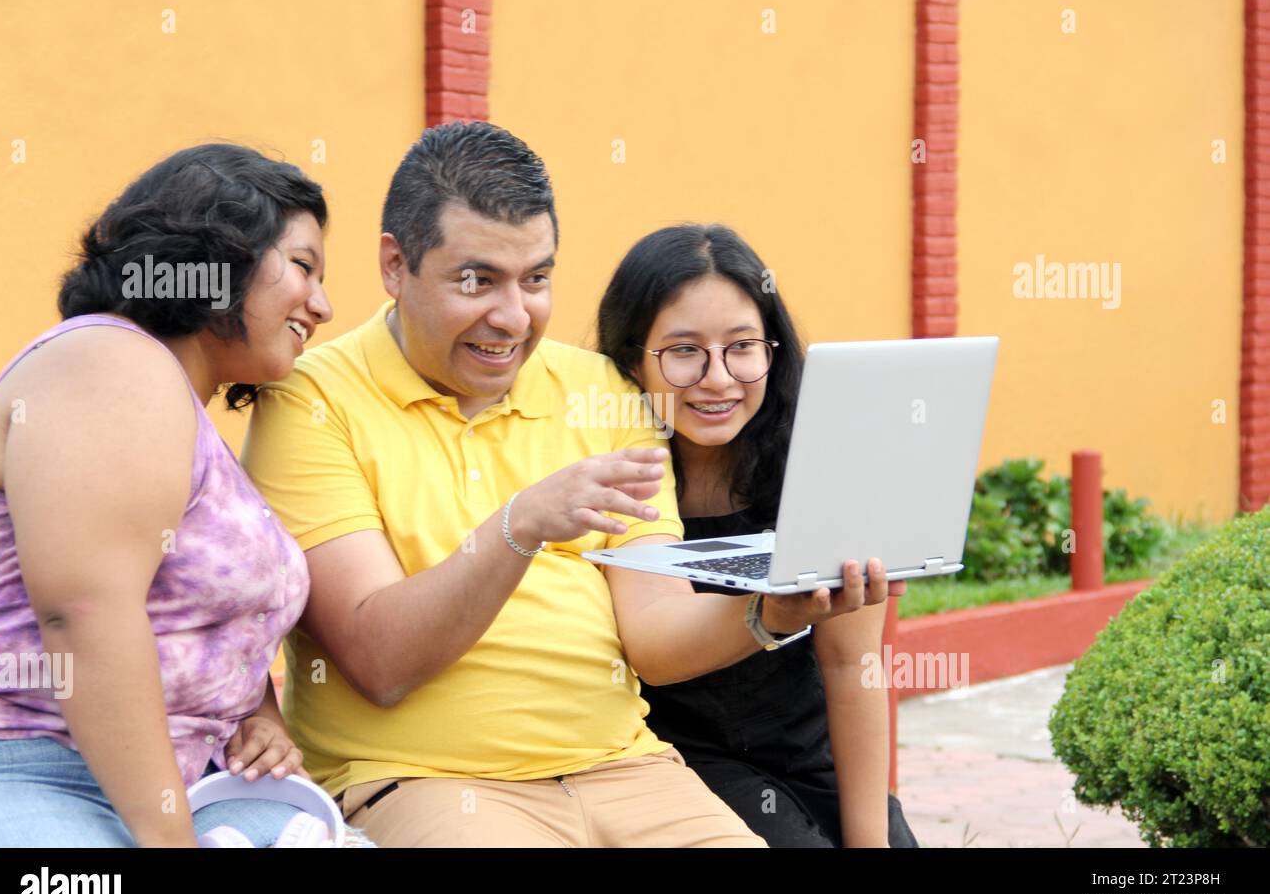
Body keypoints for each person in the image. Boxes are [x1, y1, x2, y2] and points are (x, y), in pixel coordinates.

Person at [240, 120, 901, 847]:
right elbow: (380, 661)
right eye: (477, 280)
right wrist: (519, 526)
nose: (513, 316)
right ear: (395, 266)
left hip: (629, 771)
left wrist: (770, 613)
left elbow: (652, 635)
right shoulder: (312, 400)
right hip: (428, 780)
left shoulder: (604, 393)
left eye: (536, 279)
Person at [0, 143, 335, 847]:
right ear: (216, 260)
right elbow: (85, 612)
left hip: (184, 784)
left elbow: (188, 608)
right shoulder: (110, 361)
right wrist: (169, 840)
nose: (322, 304)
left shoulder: (183, 419)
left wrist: (256, 716)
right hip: (23, 767)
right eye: (302, 266)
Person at [595, 223, 918, 847]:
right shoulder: (613, 479)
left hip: (808, 758)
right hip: (680, 766)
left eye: (742, 346)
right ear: (632, 358)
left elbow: (853, 663)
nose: (718, 378)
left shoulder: (823, 463)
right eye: (684, 350)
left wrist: (872, 840)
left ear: (773, 350)